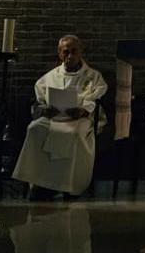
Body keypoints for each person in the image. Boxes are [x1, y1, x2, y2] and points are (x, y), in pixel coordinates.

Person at [13, 35, 108, 199]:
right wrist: (45, 110)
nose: (70, 56)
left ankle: (68, 186)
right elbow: (40, 101)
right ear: (59, 53)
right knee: (34, 129)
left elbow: (96, 98)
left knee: (73, 134)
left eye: (74, 51)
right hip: (54, 118)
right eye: (66, 52)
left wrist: (83, 110)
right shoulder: (50, 77)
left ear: (81, 52)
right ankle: (39, 183)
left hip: (80, 119)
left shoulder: (93, 76)